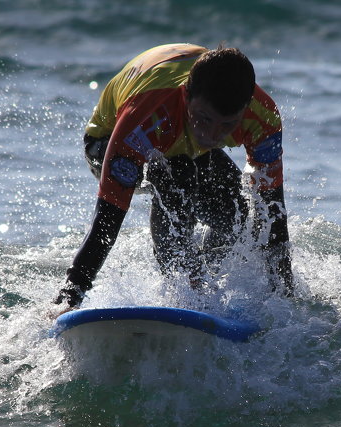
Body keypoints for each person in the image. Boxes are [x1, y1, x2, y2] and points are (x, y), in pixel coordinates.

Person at [54, 43, 294, 310]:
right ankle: (183, 290)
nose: (212, 135)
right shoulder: (146, 116)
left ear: (246, 108)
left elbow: (273, 211)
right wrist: (70, 295)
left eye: (227, 125)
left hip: (184, 146)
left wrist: (285, 295)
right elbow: (107, 220)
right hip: (106, 141)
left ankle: (208, 282)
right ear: (187, 94)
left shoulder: (262, 116)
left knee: (237, 215)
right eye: (204, 119)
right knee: (177, 174)